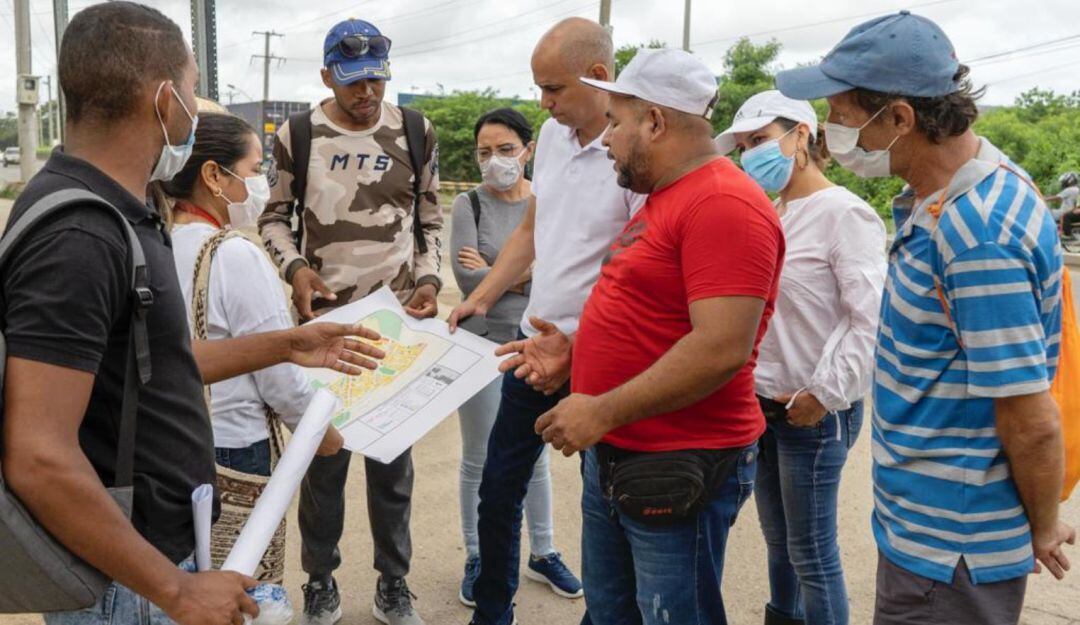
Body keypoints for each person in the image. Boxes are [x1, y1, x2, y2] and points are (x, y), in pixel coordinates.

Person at [0, 4, 382, 625]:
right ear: (165, 99)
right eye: (196, 90)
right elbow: (38, 454)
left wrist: (286, 345)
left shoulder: (125, 211)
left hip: (151, 555)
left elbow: (150, 366)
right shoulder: (81, 233)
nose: (196, 106)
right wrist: (175, 591)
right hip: (124, 575)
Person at [776, 11, 1076, 625]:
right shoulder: (951, 194)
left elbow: (1028, 415)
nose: (830, 131)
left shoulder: (976, 235)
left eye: (839, 114)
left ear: (899, 119)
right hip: (930, 532)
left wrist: (1043, 525)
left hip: (951, 551)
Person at [516, 47, 783, 625]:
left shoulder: (722, 203)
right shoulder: (669, 196)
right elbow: (651, 315)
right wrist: (576, 354)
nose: (606, 138)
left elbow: (720, 348)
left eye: (615, 122)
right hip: (623, 451)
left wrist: (601, 409)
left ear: (655, 121)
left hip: (676, 461)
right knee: (613, 611)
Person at [446, 17, 645, 625]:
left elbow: (636, 268)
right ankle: (492, 612)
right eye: (539, 88)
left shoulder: (634, 151)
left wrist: (582, 345)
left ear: (601, 77)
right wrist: (483, 297)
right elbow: (534, 229)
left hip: (602, 363)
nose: (545, 104)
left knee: (608, 505)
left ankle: (603, 613)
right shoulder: (556, 139)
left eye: (554, 89)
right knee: (498, 488)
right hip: (535, 351)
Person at [258, 17, 442, 625]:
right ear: (327, 76)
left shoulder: (415, 130)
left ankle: (394, 583)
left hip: (394, 330)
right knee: (324, 466)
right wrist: (294, 271)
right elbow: (274, 219)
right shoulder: (299, 133)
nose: (367, 95)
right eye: (353, 82)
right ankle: (320, 580)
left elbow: (429, 224)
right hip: (324, 335)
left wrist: (430, 279)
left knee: (393, 467)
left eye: (376, 81)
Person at [715, 91, 887, 625]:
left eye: (760, 141)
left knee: (811, 552)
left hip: (813, 412)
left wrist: (823, 395)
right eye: (743, 146)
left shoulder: (845, 214)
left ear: (802, 137)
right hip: (764, 404)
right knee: (779, 543)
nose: (750, 156)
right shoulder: (773, 211)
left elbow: (871, 320)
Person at [163, 111, 352, 581]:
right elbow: (278, 365)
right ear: (213, 175)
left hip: (179, 442)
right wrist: (317, 432)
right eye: (252, 170)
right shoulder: (234, 253)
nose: (262, 184)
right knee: (239, 584)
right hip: (236, 450)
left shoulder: (161, 244)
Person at [451, 108, 574, 607]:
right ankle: (478, 556)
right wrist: (527, 273)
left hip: (535, 347)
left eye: (504, 149)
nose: (494, 161)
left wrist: (498, 271)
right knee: (479, 460)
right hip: (480, 346)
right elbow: (466, 282)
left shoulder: (548, 203)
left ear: (528, 149)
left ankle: (542, 551)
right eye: (484, 152)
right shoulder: (469, 205)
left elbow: (561, 275)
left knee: (534, 456)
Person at [1048, 171, 1079, 238]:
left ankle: (1057, 233)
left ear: (1069, 181)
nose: (1062, 183)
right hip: (1070, 211)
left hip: (1065, 211)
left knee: (1047, 213)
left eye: (1063, 182)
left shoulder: (1069, 189)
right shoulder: (1076, 189)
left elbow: (1056, 197)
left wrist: (1043, 198)